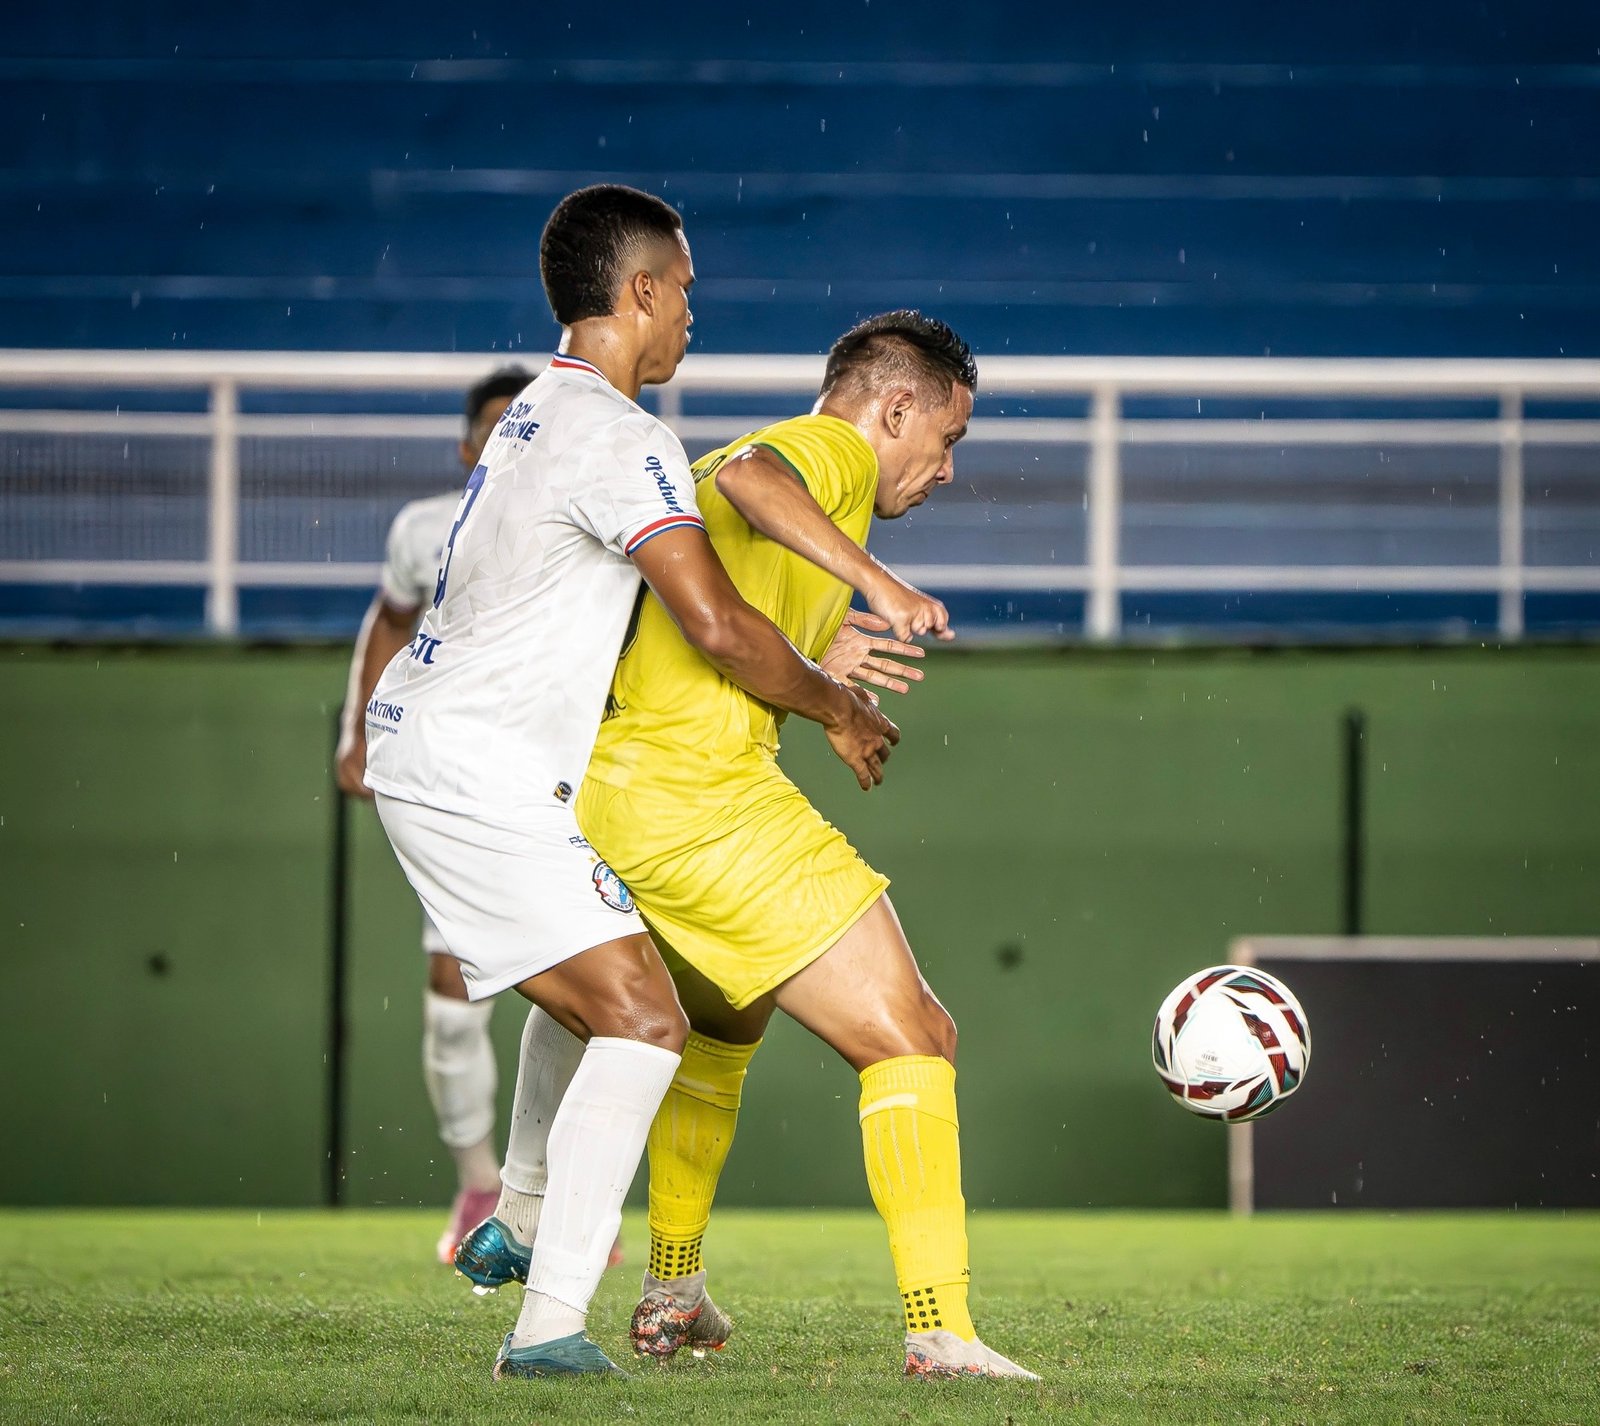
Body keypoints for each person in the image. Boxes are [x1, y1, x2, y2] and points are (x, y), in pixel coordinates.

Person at [362, 184, 913, 1380]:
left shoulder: (535, 413)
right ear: (641, 289)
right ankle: (548, 1327)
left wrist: (807, 637)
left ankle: (520, 1217)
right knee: (647, 1019)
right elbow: (711, 622)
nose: (692, 317)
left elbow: (618, 605)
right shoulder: (624, 438)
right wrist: (833, 701)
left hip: (446, 745)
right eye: (686, 292)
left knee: (610, 964)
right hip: (475, 767)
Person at [574, 310, 1036, 1380]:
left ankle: (672, 1289)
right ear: (896, 408)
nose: (948, 470)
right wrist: (876, 583)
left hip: (617, 795)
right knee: (914, 1036)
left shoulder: (723, 464)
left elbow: (704, 582)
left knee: (722, 1022)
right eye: (949, 439)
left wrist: (814, 646)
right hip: (699, 796)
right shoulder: (829, 451)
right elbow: (758, 483)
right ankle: (941, 1331)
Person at [335, 364, 534, 1267]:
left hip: (569, 775)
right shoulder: (424, 530)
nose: (509, 437)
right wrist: (357, 728)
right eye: (494, 425)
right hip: (455, 779)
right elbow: (390, 620)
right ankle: (482, 1186)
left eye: (523, 422)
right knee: (453, 995)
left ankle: (549, 1197)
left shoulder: (589, 516)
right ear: (466, 445)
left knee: (592, 998)